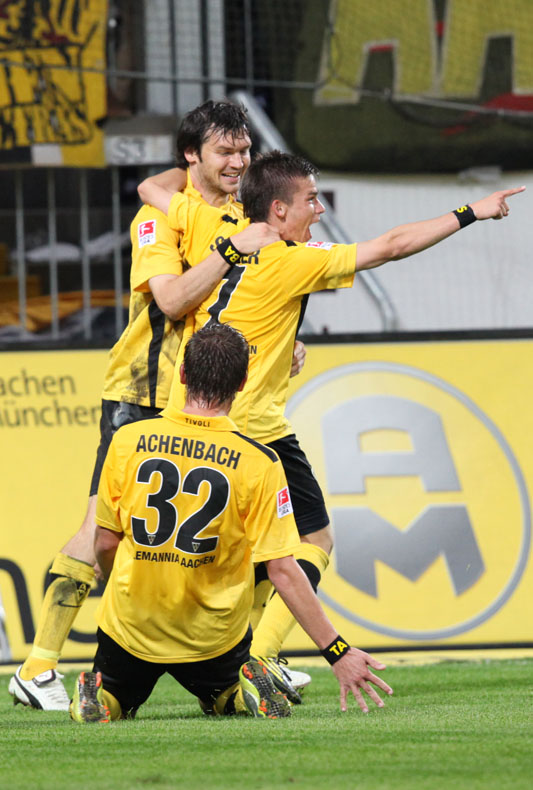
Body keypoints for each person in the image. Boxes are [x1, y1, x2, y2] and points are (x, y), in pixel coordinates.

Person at [137, 150, 525, 676]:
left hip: (189, 417)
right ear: (278, 209)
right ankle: (258, 659)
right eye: (311, 200)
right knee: (313, 539)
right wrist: (471, 212)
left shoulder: (216, 226)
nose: (319, 210)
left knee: (243, 556)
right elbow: (390, 246)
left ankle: (234, 657)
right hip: (252, 428)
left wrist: (284, 344)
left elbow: (153, 190)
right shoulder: (291, 260)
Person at [9, 100, 306, 711]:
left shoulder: (234, 214)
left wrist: (283, 339)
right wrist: (227, 247)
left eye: (244, 150)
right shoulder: (159, 217)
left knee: (240, 530)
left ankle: (251, 660)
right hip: (142, 391)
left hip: (199, 396)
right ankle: (37, 667)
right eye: (225, 151)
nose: (239, 161)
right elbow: (170, 299)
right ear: (193, 155)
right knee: (99, 527)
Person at [69, 323, 393, 723]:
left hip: (132, 626)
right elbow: (283, 569)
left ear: (182, 375)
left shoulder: (128, 441)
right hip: (212, 636)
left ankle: (101, 697)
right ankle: (240, 693)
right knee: (224, 698)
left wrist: (117, 580)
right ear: (242, 383)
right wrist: (337, 651)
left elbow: (105, 541)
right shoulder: (260, 462)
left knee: (118, 699)